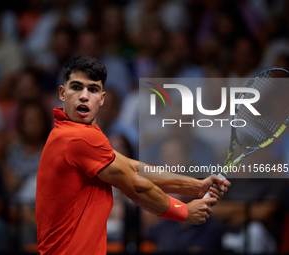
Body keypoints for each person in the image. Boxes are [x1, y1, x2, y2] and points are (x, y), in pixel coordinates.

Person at [35, 55, 231, 255]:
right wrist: (185, 212)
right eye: (76, 87)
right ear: (62, 93)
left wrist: (196, 186)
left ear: (101, 99)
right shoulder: (76, 139)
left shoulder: (81, 135)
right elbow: (135, 185)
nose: (84, 96)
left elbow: (134, 168)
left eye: (92, 89)